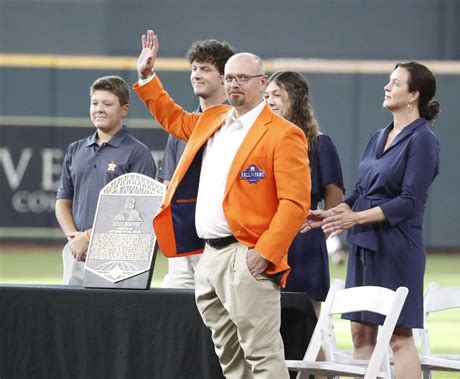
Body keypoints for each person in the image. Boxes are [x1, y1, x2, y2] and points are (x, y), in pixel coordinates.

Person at [134, 30, 311, 378]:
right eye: (229, 78)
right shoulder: (213, 120)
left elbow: (294, 203)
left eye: (243, 78)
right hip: (210, 256)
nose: (234, 85)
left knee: (262, 355)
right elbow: (173, 118)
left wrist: (266, 252)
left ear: (263, 83)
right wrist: (146, 77)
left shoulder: (283, 133)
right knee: (230, 358)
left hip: (247, 255)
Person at [303, 61, 440, 378]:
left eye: (395, 82)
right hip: (364, 243)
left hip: (397, 247)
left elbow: (408, 202)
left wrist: (355, 219)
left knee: (398, 336)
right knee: (360, 334)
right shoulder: (377, 136)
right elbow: (360, 192)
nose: (387, 87)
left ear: (413, 95)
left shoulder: (423, 140)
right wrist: (331, 214)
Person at [56, 75, 156, 286]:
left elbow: (141, 211)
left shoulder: (138, 153)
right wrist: (74, 239)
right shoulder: (75, 149)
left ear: (124, 110)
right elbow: (63, 201)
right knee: (74, 316)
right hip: (77, 253)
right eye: (95, 103)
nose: (99, 109)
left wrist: (89, 237)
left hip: (120, 255)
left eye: (107, 104)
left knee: (117, 318)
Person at [264, 71, 345, 318]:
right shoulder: (259, 140)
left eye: (277, 94)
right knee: (264, 320)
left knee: (306, 323)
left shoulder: (319, 144)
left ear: (296, 99)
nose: (270, 101)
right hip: (264, 235)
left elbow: (335, 195)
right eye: (266, 95)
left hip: (303, 238)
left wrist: (321, 231)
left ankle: (313, 359)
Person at [158, 39, 235, 289]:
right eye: (194, 68)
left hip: (222, 241)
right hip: (184, 243)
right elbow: (169, 184)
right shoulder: (181, 128)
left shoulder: (237, 126)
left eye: (205, 69)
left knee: (220, 320)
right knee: (176, 314)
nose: (197, 75)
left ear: (225, 78)